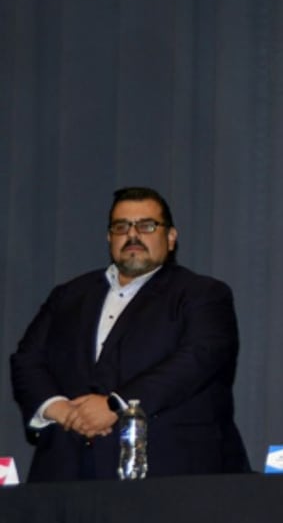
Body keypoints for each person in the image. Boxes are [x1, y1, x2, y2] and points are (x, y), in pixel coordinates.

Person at [10, 187, 250, 481]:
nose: (132, 235)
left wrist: (117, 405)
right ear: (110, 238)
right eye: (121, 226)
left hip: (168, 475)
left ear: (171, 237)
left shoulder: (202, 294)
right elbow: (27, 360)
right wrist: (57, 409)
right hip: (66, 473)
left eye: (147, 225)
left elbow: (198, 359)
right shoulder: (69, 296)